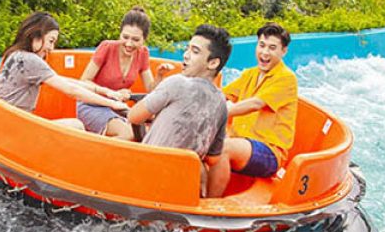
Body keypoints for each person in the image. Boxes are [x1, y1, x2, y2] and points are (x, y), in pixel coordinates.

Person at [127, 24, 231, 197]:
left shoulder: (177, 83)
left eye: (195, 51)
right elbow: (213, 159)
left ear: (213, 63)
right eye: (187, 49)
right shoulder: (221, 102)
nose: (186, 55)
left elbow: (134, 116)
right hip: (184, 186)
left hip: (149, 178)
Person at [0, 12, 128, 129]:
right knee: (77, 125)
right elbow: (71, 90)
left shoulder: (15, 55)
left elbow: (66, 81)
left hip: (6, 121)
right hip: (16, 127)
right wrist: (112, 104)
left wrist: (105, 91)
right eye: (51, 41)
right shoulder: (30, 60)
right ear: (36, 36)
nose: (51, 48)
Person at [216, 22, 297, 190]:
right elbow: (221, 95)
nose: (265, 52)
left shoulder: (286, 79)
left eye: (272, 48)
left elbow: (256, 103)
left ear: (283, 51)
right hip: (241, 142)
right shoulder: (250, 74)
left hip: (269, 152)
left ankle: (211, 202)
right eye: (262, 45)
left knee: (221, 148)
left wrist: (223, 110)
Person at [78, 7, 174, 140]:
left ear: (144, 40)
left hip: (117, 108)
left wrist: (160, 75)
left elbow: (151, 90)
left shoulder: (143, 53)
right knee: (129, 134)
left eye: (135, 39)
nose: (129, 44)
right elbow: (83, 82)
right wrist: (112, 93)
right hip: (93, 105)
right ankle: (94, 153)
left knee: (148, 132)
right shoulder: (107, 48)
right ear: (120, 34)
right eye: (125, 37)